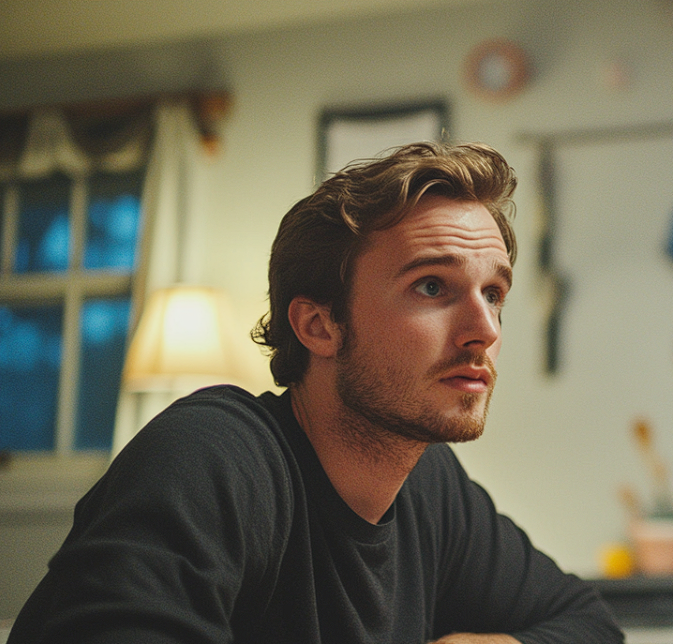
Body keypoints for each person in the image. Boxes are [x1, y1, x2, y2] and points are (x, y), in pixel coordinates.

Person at [8, 142, 624, 644]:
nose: (485, 330)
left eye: (493, 293)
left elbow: (591, 625)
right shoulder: (214, 455)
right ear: (318, 325)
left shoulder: (431, 485)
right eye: (433, 287)